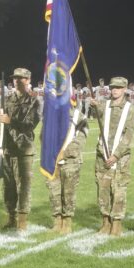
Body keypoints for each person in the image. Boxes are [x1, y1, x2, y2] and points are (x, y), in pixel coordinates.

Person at [91, 76, 134, 236]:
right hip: (102, 154)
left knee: (118, 189)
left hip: (120, 157)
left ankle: (116, 222)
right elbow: (96, 110)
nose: (115, 90)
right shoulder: (105, 104)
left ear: (124, 89)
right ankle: (105, 221)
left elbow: (129, 134)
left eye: (118, 87)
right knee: (102, 188)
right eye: (113, 87)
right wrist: (93, 105)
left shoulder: (129, 108)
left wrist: (116, 155)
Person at [0, 68, 41, 230]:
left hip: (23, 149)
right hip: (8, 148)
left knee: (23, 186)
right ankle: (11, 217)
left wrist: (11, 120)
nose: (17, 81)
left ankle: (22, 220)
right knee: (8, 186)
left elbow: (30, 124)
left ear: (28, 80)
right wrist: (0, 145)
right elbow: (0, 125)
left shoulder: (33, 101)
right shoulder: (8, 99)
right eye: (15, 78)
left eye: (21, 78)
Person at [45, 98, 88, 234]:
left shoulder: (78, 115)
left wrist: (65, 152)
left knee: (68, 191)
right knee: (54, 191)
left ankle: (67, 221)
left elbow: (82, 136)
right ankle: (57, 221)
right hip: (52, 159)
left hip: (70, 160)